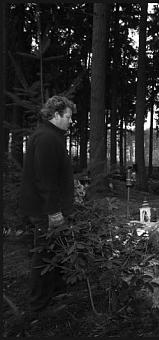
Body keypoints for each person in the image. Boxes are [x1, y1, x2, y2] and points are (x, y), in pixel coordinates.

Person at [18, 95, 76, 312]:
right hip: (45, 210)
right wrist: (53, 212)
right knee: (43, 254)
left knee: (53, 251)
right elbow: (45, 180)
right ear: (56, 114)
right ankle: (38, 305)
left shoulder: (51, 136)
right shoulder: (46, 138)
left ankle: (52, 294)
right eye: (68, 116)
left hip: (48, 208)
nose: (71, 121)